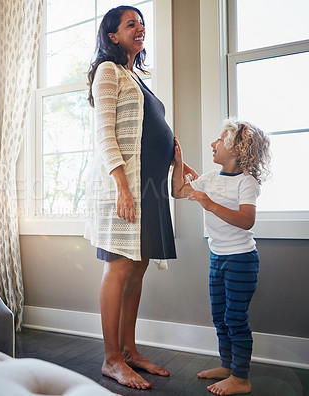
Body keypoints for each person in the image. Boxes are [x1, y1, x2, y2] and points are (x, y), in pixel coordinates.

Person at [84, 5, 198, 390]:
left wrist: (175, 159)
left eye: (142, 22)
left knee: (138, 269)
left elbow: (148, 132)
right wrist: (121, 188)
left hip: (150, 188)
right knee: (118, 268)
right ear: (112, 35)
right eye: (131, 23)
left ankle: (130, 350)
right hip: (126, 188)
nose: (140, 27)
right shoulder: (108, 71)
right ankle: (111, 359)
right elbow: (105, 135)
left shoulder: (136, 77)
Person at [171, 119, 271, 395]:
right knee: (219, 316)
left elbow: (247, 220)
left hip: (241, 260)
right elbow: (179, 191)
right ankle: (228, 366)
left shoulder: (246, 182)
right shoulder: (211, 179)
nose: (212, 144)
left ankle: (241, 379)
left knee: (235, 318)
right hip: (217, 258)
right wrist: (179, 162)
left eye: (219, 140)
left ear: (237, 149)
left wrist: (209, 203)